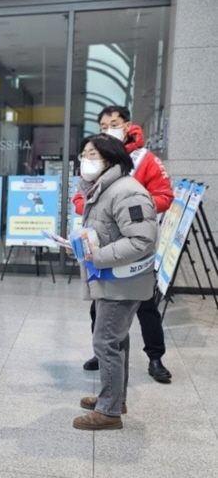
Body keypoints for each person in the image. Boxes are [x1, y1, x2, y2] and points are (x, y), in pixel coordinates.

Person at [73, 106, 174, 383]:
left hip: (132, 247)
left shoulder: (143, 161)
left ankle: (155, 357)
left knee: (145, 305)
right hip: (104, 250)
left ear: (127, 125)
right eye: (103, 125)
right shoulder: (96, 157)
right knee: (101, 310)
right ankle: (103, 356)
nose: (108, 129)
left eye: (113, 124)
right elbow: (81, 198)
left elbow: (164, 195)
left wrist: (130, 208)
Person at [72, 134, 158, 431]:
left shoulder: (126, 192)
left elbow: (142, 240)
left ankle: (108, 412)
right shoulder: (103, 190)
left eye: (92, 154)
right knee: (117, 339)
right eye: (83, 154)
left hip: (122, 279)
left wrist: (98, 255)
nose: (86, 160)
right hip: (113, 276)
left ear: (111, 158)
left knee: (105, 340)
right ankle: (114, 398)